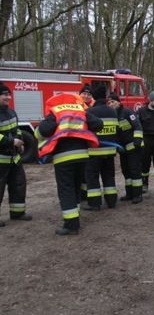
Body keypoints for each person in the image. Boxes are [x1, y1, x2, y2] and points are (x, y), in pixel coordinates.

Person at [35, 93, 103, 235]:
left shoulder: (56, 111)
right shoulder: (80, 110)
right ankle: (75, 215)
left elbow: (43, 131)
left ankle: (71, 225)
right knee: (76, 186)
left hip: (63, 157)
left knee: (66, 189)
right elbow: (98, 124)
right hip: (82, 155)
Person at [0, 83, 32, 226]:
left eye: (9, 94)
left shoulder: (11, 112)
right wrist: (11, 141)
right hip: (1, 159)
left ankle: (17, 212)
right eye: (4, 95)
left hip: (14, 158)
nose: (8, 97)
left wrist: (21, 143)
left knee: (18, 184)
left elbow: (17, 130)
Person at [108, 92, 144, 204]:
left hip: (134, 146)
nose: (111, 104)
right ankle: (129, 193)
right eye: (109, 102)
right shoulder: (112, 116)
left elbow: (137, 125)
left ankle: (138, 194)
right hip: (123, 149)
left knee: (135, 170)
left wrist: (137, 139)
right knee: (126, 171)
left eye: (113, 101)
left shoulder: (127, 112)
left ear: (118, 102)